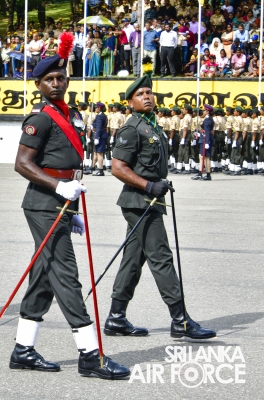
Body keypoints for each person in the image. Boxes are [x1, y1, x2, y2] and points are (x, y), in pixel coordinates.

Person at [10, 32, 129, 379]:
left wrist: (71, 206)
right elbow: (22, 164)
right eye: (49, 79)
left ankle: (23, 349)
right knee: (66, 274)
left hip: (61, 202)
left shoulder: (70, 114)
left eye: (61, 77)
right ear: (38, 84)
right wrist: (60, 187)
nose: (56, 83)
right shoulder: (40, 118)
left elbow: (67, 162)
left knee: (44, 277)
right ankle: (90, 354)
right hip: (43, 203)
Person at [104, 75, 216, 340]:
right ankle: (180, 320)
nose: (146, 97)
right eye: (140, 94)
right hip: (139, 201)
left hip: (149, 199)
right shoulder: (132, 129)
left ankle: (116, 317)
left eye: (149, 92)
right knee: (161, 258)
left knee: (133, 260)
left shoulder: (151, 126)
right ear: (130, 102)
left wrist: (156, 184)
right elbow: (118, 168)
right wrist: (148, 185)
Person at [192, 104, 215, 181]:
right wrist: (199, 134)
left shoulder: (207, 120)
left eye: (205, 110)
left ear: (207, 111)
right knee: (201, 157)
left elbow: (207, 132)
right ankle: (200, 173)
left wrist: (207, 142)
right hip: (204, 138)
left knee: (206, 158)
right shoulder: (207, 119)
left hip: (206, 140)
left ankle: (208, 174)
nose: (203, 112)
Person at [91, 102, 108, 176]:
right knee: (96, 152)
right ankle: (92, 167)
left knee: (99, 154)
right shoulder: (103, 115)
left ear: (99, 108)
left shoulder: (99, 116)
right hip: (102, 135)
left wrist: (96, 137)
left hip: (100, 136)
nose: (95, 109)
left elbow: (99, 128)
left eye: (96, 107)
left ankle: (101, 170)